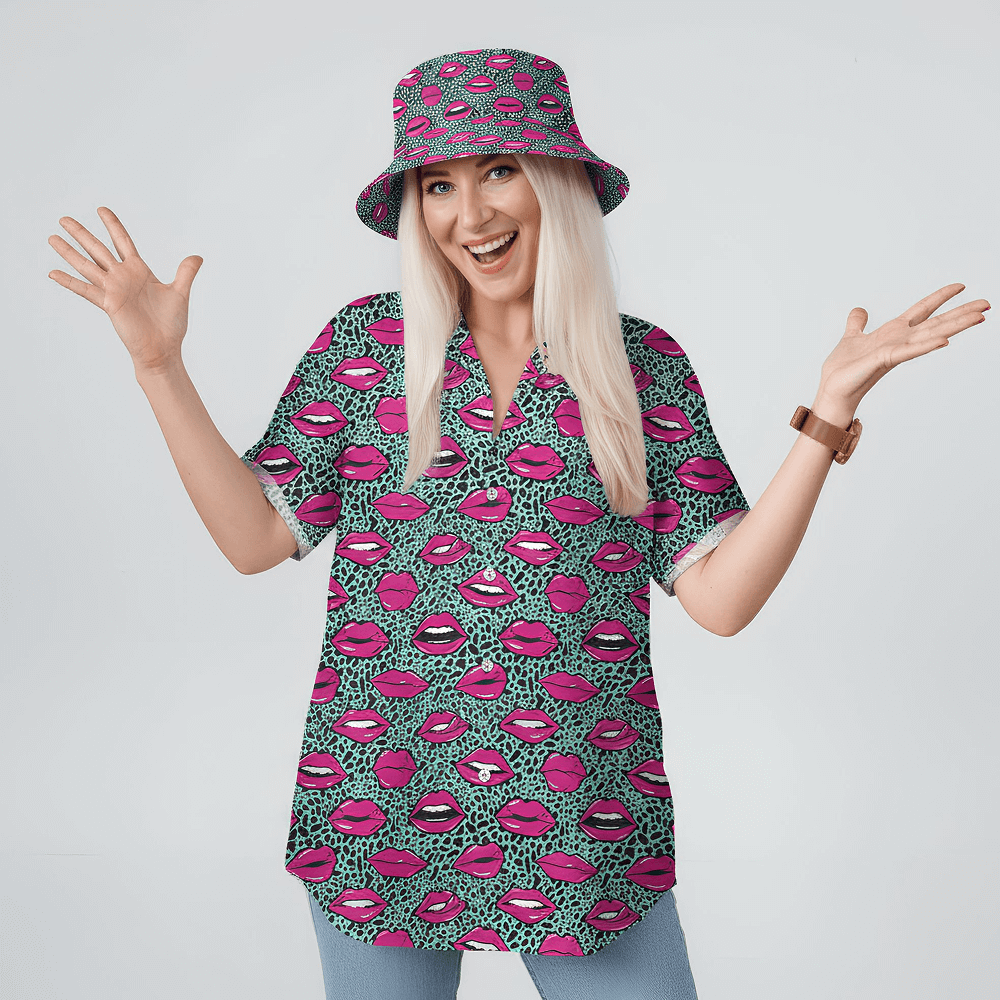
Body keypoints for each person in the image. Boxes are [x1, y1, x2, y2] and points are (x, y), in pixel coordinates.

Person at [46, 45, 989, 1000]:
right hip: (384, 800)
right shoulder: (365, 349)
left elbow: (721, 597)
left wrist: (826, 416)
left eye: (500, 170)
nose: (472, 214)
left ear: (558, 183)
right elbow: (257, 539)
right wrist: (160, 368)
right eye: (441, 184)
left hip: (587, 819)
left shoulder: (641, 367)